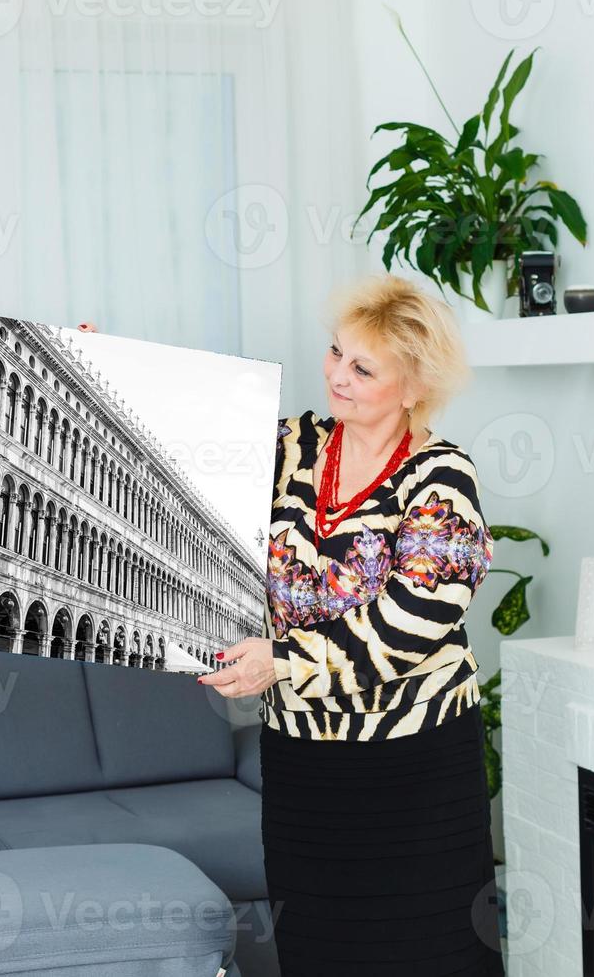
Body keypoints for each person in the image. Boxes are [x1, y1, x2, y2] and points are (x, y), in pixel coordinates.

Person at [202, 274, 504, 975]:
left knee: (432, 954)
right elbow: (185, 445)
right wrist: (105, 360)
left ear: (412, 387)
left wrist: (282, 662)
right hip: (304, 763)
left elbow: (414, 620)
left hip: (415, 766)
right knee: (317, 951)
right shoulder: (289, 448)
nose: (336, 375)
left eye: (362, 367)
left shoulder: (443, 479)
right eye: (336, 353)